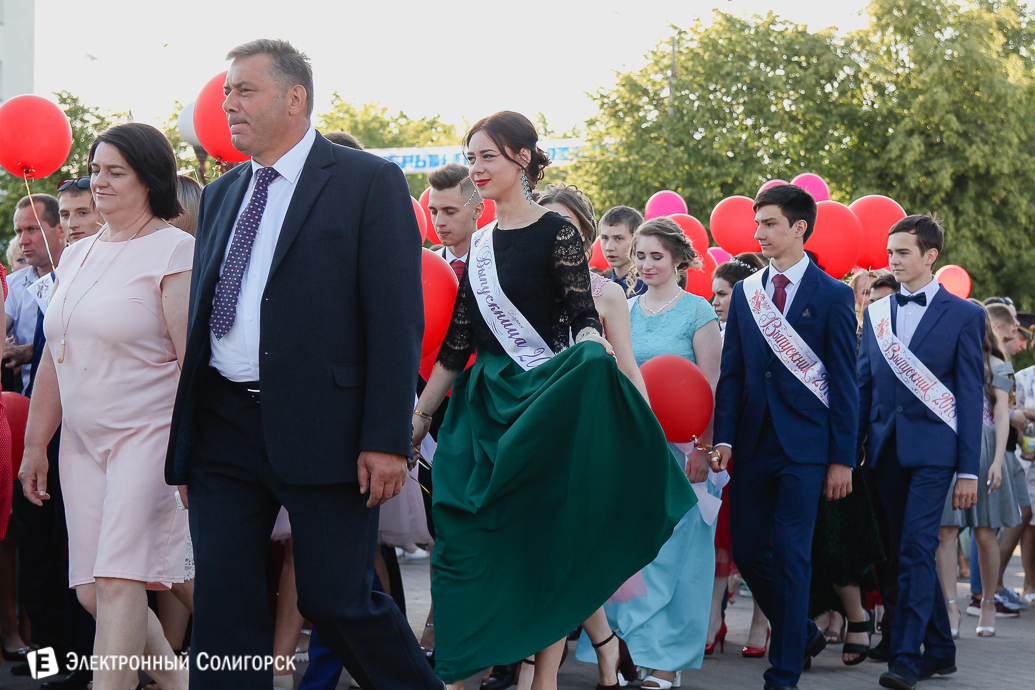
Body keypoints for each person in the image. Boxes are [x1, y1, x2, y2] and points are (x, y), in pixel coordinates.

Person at [164, 39, 441, 690]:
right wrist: (188, 444)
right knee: (225, 609)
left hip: (329, 428)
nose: (227, 102)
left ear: (296, 98)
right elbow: (209, 317)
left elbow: (394, 319)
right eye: (226, 90)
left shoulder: (367, 182)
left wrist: (383, 439)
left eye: (244, 90)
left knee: (335, 599)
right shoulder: (225, 191)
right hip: (223, 427)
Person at [411, 111, 695, 690]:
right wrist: (418, 419)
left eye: (487, 156)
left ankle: (538, 679)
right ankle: (459, 670)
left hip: (540, 409)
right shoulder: (482, 242)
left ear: (521, 158)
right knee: (462, 545)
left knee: (542, 545)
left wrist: (598, 372)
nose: (477, 168)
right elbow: (458, 340)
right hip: (483, 410)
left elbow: (584, 323)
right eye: (471, 158)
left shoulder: (556, 232)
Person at [17, 122, 192, 690]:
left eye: (116, 172)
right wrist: (35, 443)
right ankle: (180, 683)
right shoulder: (78, 254)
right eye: (96, 170)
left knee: (120, 580)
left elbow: (194, 365)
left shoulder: (175, 250)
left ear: (150, 179)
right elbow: (53, 358)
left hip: (149, 436)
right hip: (82, 444)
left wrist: (190, 452)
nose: (100, 182)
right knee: (92, 590)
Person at [710, 183, 858, 690]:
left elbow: (844, 383)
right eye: (757, 224)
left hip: (807, 448)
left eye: (770, 223)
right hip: (752, 443)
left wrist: (842, 459)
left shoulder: (834, 295)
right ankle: (799, 631)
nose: (759, 233)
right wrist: (724, 438)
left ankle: (785, 670)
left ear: (799, 228)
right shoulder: (749, 292)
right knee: (750, 553)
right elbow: (732, 374)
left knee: (793, 553)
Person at [576, 217, 720, 690]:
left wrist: (702, 446)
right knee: (634, 554)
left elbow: (711, 387)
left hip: (681, 452)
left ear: (680, 259)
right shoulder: (625, 308)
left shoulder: (699, 313)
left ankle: (667, 662)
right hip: (630, 446)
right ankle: (628, 651)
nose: (646, 264)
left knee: (677, 557)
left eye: (656, 255)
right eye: (641, 255)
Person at [857, 214, 984, 690]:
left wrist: (968, 470)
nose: (893, 260)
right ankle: (943, 652)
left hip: (935, 453)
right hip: (885, 451)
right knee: (901, 553)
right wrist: (849, 453)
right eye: (890, 252)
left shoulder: (966, 315)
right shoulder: (875, 314)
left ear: (931, 256)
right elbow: (865, 385)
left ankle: (907, 657)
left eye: (903, 252)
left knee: (914, 547)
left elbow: (970, 397)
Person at [538, 183, 648, 690]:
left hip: (584, 438)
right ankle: (606, 647)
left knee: (563, 554)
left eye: (564, 225)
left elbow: (627, 369)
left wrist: (645, 438)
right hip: (525, 430)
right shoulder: (514, 286)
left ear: (582, 234)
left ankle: (536, 676)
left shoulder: (606, 294)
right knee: (547, 555)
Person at [708, 255, 771, 659]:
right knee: (719, 542)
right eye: (712, 293)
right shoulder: (708, 328)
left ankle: (763, 621)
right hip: (720, 444)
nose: (715, 301)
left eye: (723, 293)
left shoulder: (766, 329)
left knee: (758, 538)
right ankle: (713, 618)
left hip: (756, 444)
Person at [5, 194, 66, 392]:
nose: (23, 241)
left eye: (32, 229)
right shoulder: (12, 284)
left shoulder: (84, 273)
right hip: (28, 398)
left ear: (61, 230)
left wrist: (30, 351)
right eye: (18, 232)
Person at [428, 163, 483, 281]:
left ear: (477, 211)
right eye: (434, 212)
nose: (439, 222)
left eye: (450, 212)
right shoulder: (423, 268)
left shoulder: (499, 263)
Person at [598, 206, 646, 295]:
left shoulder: (651, 287)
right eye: (605, 238)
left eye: (618, 239)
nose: (609, 247)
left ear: (636, 239)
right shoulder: (599, 288)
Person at [57, 177, 104, 244]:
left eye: (83, 213)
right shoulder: (66, 254)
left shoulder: (122, 252)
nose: (71, 225)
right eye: (65, 215)